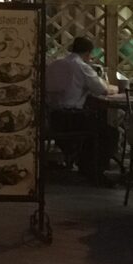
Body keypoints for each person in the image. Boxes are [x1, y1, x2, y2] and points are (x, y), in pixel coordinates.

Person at [46, 36, 118, 180]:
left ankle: (83, 163)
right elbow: (102, 89)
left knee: (97, 127)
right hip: (72, 118)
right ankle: (96, 170)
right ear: (88, 53)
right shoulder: (81, 66)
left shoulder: (56, 64)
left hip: (53, 117)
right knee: (109, 132)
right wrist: (115, 88)